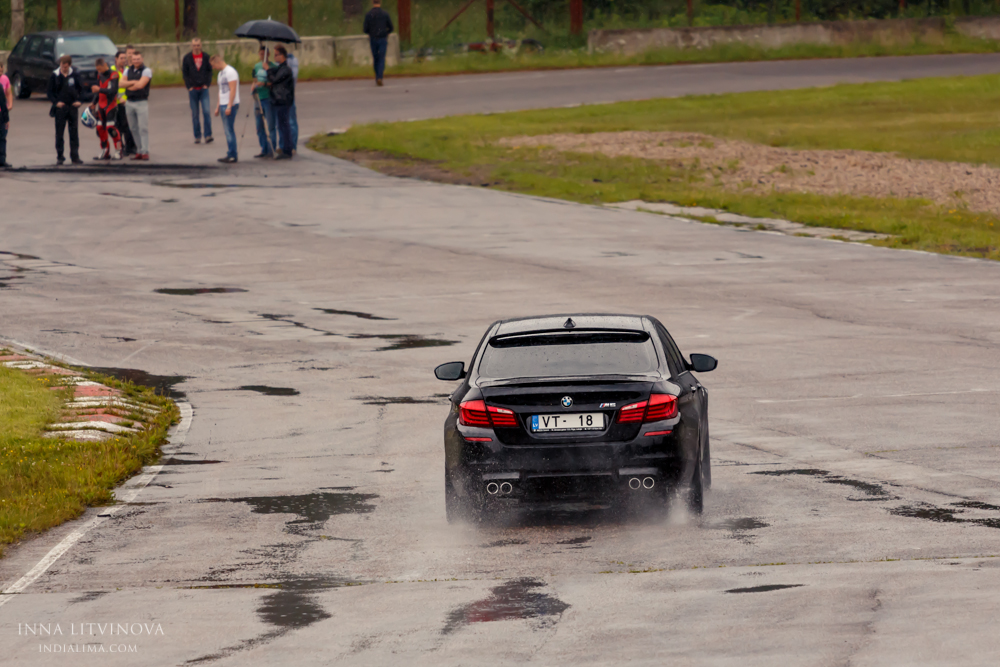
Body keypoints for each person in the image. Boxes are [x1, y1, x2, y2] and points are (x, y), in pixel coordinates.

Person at [46, 55, 84, 165]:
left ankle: (75, 156)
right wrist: (55, 102)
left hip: (72, 107)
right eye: (62, 66)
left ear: (70, 65)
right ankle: (60, 156)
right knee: (59, 133)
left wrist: (80, 101)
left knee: (74, 133)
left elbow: (81, 89)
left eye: (66, 67)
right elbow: (49, 92)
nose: (64, 68)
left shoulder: (75, 75)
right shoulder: (55, 75)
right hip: (60, 108)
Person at [182, 37, 214, 145]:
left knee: (206, 112)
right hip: (193, 90)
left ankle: (208, 135)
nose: (196, 47)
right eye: (194, 45)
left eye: (198, 45)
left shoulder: (206, 57)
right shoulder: (187, 58)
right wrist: (189, 86)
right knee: (195, 114)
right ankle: (197, 136)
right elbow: (185, 73)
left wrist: (207, 84)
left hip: (203, 89)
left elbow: (210, 71)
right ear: (191, 46)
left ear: (201, 45)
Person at [89, 58, 122, 160]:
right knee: (100, 128)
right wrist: (94, 102)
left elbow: (113, 90)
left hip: (110, 105)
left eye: (100, 69)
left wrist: (99, 89)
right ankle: (105, 151)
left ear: (105, 65)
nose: (99, 71)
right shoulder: (99, 75)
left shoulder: (114, 74)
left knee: (111, 127)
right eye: (97, 69)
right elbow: (98, 91)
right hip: (101, 105)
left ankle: (118, 151)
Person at [267, 45, 295, 160]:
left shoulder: (286, 69)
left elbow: (275, 79)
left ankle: (287, 149)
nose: (274, 57)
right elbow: (274, 74)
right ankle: (284, 147)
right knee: (281, 125)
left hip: (283, 100)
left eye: (276, 55)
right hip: (279, 100)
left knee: (284, 125)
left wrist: (268, 70)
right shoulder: (280, 68)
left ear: (282, 55)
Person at [123, 51, 152, 161]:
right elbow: (120, 83)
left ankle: (145, 151)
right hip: (129, 102)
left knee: (143, 128)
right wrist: (134, 82)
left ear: (142, 59)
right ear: (131, 60)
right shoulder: (127, 70)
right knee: (133, 128)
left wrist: (128, 85)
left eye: (138, 59)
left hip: (141, 102)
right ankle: (139, 151)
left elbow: (140, 85)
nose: (136, 61)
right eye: (134, 59)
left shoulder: (146, 71)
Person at [211, 54, 240, 164]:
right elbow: (220, 91)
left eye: (214, 65)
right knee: (227, 130)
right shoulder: (220, 74)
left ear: (218, 62)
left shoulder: (230, 72)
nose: (214, 68)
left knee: (229, 129)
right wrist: (218, 106)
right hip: (223, 104)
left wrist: (229, 105)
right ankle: (230, 152)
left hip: (230, 104)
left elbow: (232, 90)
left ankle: (233, 154)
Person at [251, 45, 276, 158]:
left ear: (268, 54)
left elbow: (274, 82)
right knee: (259, 126)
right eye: (261, 54)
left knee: (270, 125)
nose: (262, 56)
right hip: (258, 98)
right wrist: (254, 85)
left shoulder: (273, 67)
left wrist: (264, 84)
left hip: (268, 97)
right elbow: (255, 79)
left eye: (264, 54)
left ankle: (272, 148)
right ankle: (264, 148)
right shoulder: (257, 66)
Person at [363, 0, 393, 87]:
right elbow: (391, 27)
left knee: (375, 58)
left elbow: (365, 29)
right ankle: (380, 76)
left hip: (373, 38)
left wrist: (371, 32)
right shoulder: (385, 14)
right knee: (381, 58)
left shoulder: (368, 14)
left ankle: (377, 77)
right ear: (380, 2)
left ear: (372, 2)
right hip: (383, 38)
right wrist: (386, 32)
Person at [113, 50, 137, 156]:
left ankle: (130, 147)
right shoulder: (112, 70)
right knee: (118, 127)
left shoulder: (128, 70)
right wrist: (119, 97)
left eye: (124, 58)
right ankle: (120, 147)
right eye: (121, 58)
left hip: (127, 102)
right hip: (116, 103)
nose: (123, 60)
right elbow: (113, 87)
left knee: (129, 126)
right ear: (116, 59)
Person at [286, 49, 299, 153]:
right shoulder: (277, 63)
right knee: (281, 122)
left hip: (289, 94)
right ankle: (284, 145)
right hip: (279, 95)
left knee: (291, 121)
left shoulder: (292, 60)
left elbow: (293, 76)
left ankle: (293, 145)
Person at [0, 60, 12, 168]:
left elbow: (4, 102)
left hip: (1, 114)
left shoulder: (3, 82)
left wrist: (6, 118)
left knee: (2, 137)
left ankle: (2, 160)